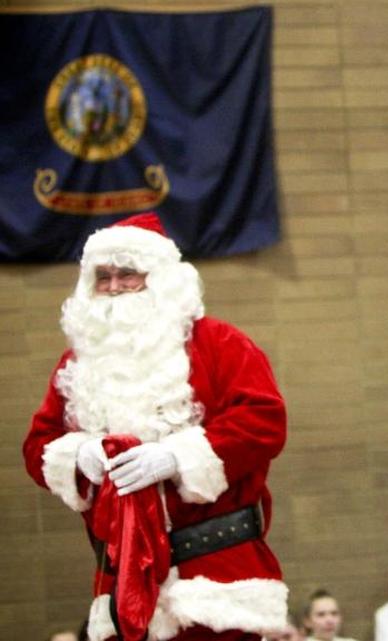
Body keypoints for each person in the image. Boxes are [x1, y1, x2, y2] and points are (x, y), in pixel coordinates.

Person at [22, 213, 288, 641]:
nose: (112, 287)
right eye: (102, 277)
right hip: (120, 584)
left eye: (128, 275)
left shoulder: (221, 345)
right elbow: (38, 445)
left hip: (217, 581)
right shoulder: (75, 366)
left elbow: (263, 421)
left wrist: (178, 457)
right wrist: (76, 455)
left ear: (161, 280)